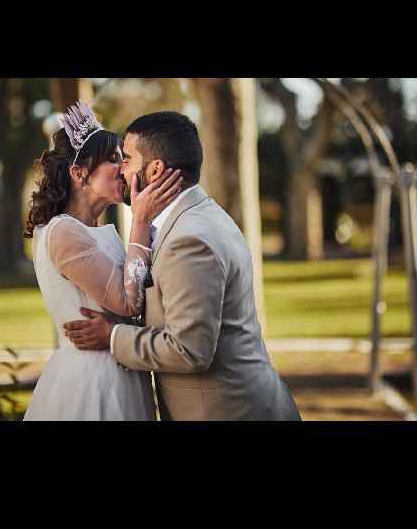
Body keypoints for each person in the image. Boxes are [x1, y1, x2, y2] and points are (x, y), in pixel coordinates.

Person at [64, 111, 302, 422]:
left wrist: (110, 336)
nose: (120, 169)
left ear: (155, 169)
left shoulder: (189, 239)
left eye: (128, 159)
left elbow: (189, 349)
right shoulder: (195, 217)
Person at [23, 102, 183, 421]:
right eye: (112, 160)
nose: (123, 168)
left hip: (119, 364)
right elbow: (127, 301)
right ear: (79, 173)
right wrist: (139, 220)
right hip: (95, 379)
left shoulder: (92, 229)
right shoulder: (63, 232)